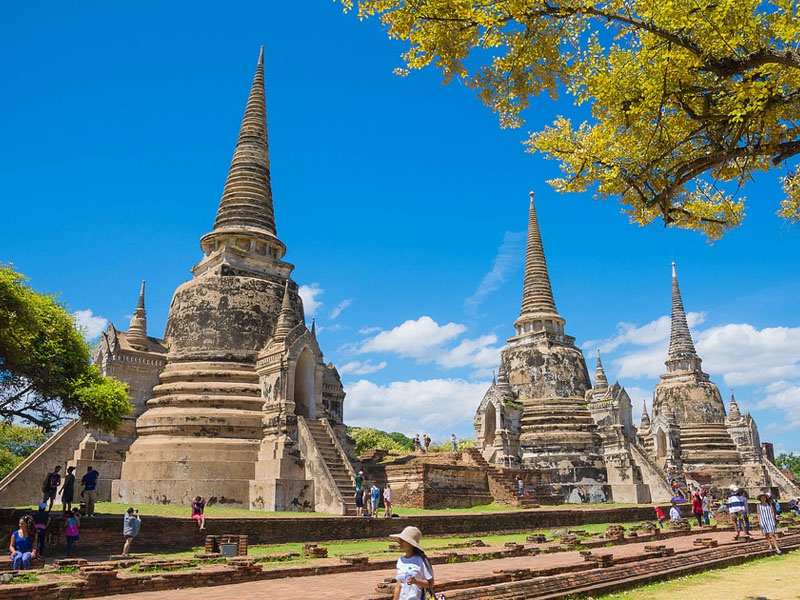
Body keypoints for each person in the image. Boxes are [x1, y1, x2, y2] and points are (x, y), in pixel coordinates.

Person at [390, 526, 435, 600]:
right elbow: (399, 585)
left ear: (410, 543)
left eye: (403, 540)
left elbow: (431, 583)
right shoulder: (400, 561)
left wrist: (416, 581)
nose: (400, 542)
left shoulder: (421, 560)